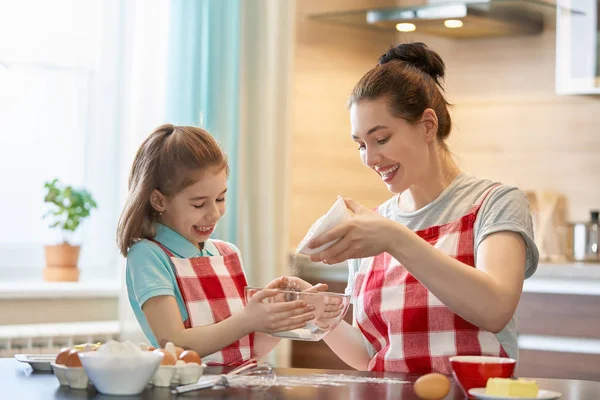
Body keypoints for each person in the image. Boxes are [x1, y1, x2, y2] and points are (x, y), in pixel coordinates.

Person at [290, 43, 539, 374]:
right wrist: (323, 316)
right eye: (361, 145)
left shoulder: (495, 203)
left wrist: (395, 238)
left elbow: (494, 308)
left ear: (427, 126)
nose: (370, 158)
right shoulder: (373, 226)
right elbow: (370, 354)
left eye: (381, 139)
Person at [117, 124, 321, 366]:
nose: (214, 213)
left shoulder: (227, 254)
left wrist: (274, 319)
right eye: (199, 204)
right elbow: (175, 343)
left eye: (220, 198)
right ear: (159, 201)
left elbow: (247, 348)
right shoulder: (148, 256)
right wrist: (248, 320)